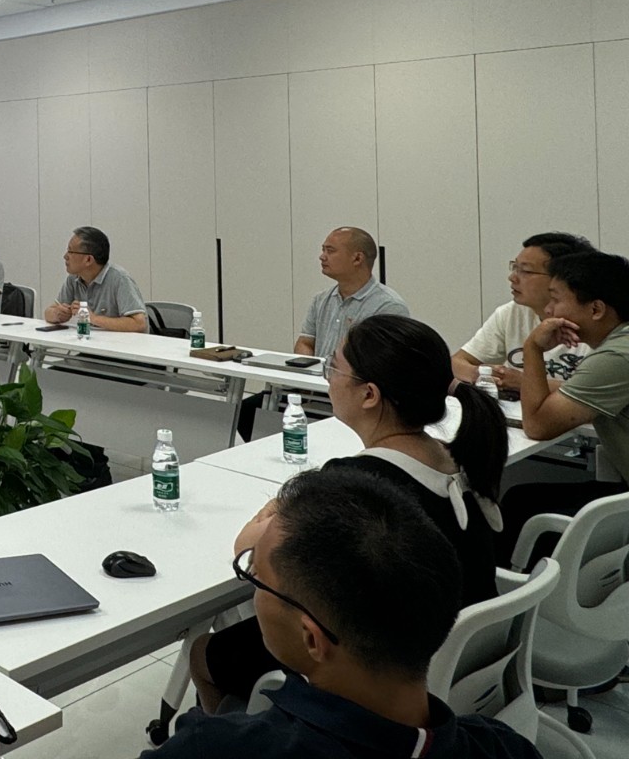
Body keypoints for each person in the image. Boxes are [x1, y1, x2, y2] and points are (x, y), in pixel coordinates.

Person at [193, 315, 507, 712]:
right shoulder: (460, 456)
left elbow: (247, 547)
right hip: (456, 661)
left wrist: (284, 502)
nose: (328, 377)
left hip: (384, 671)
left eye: (334, 367)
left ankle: (237, 732)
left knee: (203, 653)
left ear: (369, 394)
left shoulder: (356, 483)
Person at [153, 466, 540, 759]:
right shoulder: (503, 746)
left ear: (312, 638)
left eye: (258, 579)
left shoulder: (211, 747)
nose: (256, 588)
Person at [498, 250, 629, 564]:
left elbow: (538, 425)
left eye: (555, 299)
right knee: (521, 498)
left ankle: (506, 590)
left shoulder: (616, 356)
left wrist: (532, 347)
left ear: (596, 309)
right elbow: (570, 393)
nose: (548, 310)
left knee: (521, 506)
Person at [450, 232, 595, 388]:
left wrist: (522, 382)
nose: (512, 277)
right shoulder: (512, 313)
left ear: (560, 279)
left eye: (525, 271)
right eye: (514, 267)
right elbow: (456, 362)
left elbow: (596, 394)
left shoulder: (596, 323)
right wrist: (480, 374)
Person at [294, 227, 409, 357]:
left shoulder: (389, 306)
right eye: (323, 250)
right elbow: (305, 342)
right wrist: (310, 367)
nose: (322, 257)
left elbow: (386, 360)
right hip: (321, 371)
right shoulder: (320, 300)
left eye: (330, 251)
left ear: (357, 258)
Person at [42, 227, 147, 331]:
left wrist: (93, 318)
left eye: (70, 251)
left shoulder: (120, 279)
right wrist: (57, 314)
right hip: (90, 340)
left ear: (88, 259)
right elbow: (48, 312)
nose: (65, 256)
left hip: (119, 341)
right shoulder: (74, 278)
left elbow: (139, 323)